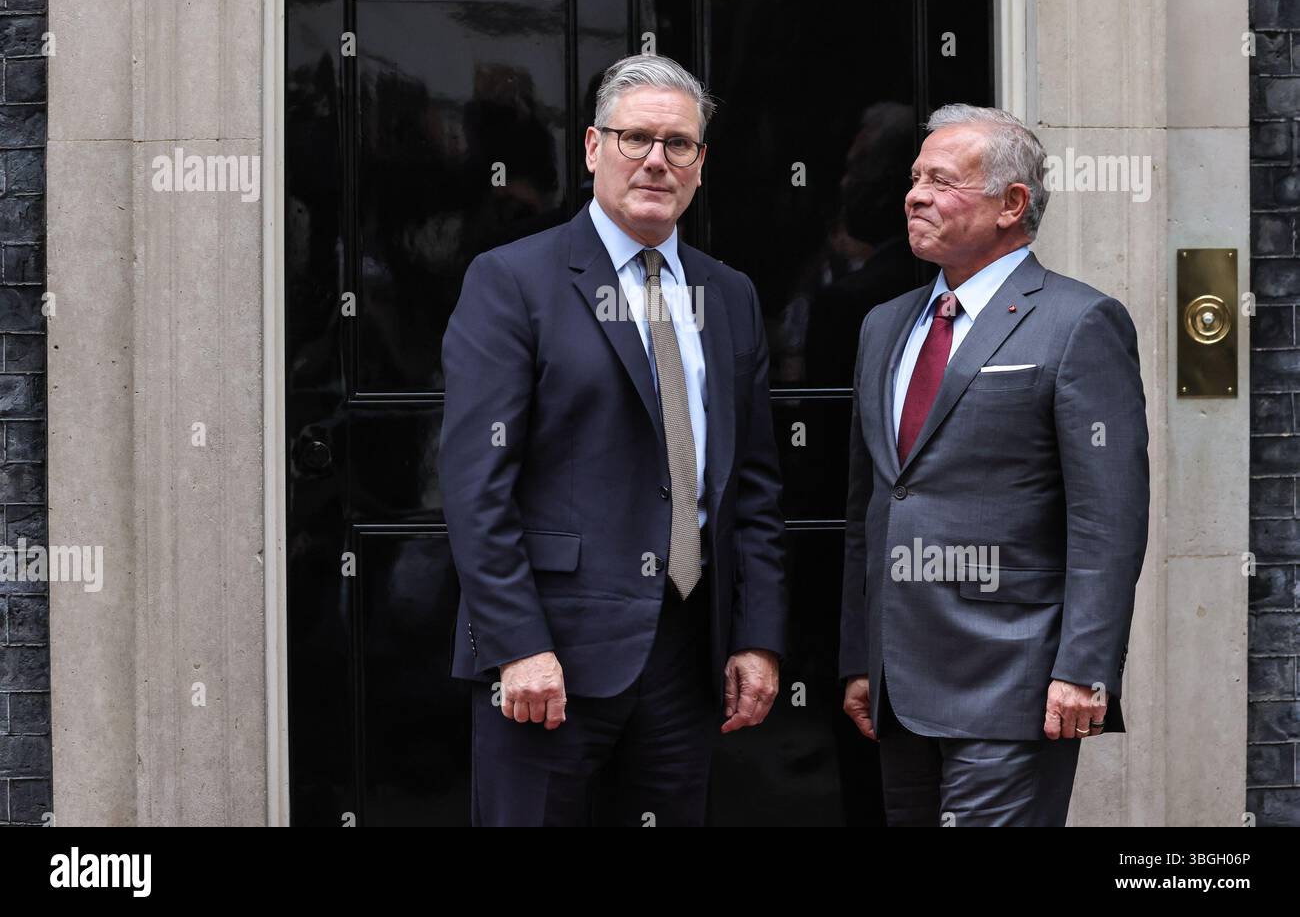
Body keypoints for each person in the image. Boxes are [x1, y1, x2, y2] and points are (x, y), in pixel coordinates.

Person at [441, 53, 786, 826]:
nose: (657, 161)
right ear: (594, 147)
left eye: (679, 144)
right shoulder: (514, 281)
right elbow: (476, 486)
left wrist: (758, 638)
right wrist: (516, 645)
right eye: (636, 139)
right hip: (548, 656)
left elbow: (754, 488)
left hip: (687, 657)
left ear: (701, 163)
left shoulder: (729, 296)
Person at [840, 104, 1149, 826]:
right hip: (900, 686)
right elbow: (871, 508)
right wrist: (860, 655)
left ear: (1012, 204)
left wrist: (1084, 670)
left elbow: (1108, 520)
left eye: (942, 181)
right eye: (915, 178)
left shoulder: (1079, 323)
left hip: (1014, 680)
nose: (914, 194)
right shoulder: (884, 324)